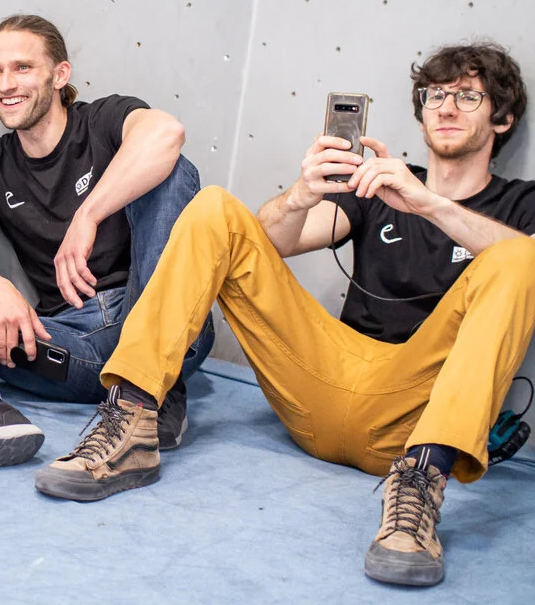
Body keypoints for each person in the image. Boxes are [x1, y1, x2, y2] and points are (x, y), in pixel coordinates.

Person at [38, 41, 535, 587]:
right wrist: (300, 196)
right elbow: (259, 246)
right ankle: (131, 421)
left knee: (521, 257)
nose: (444, 107)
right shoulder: (377, 186)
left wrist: (429, 204)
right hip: (323, 379)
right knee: (216, 209)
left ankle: (419, 490)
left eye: (467, 96)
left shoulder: (516, 203)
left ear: (503, 117)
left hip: (417, 406)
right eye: (435, 94)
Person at [0, 14, 214, 472]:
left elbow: (167, 134)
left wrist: (88, 214)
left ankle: (152, 386)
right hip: (70, 345)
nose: (6, 84)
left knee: (175, 172)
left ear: (59, 74)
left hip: (150, 317)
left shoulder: (103, 120)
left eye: (23, 68)